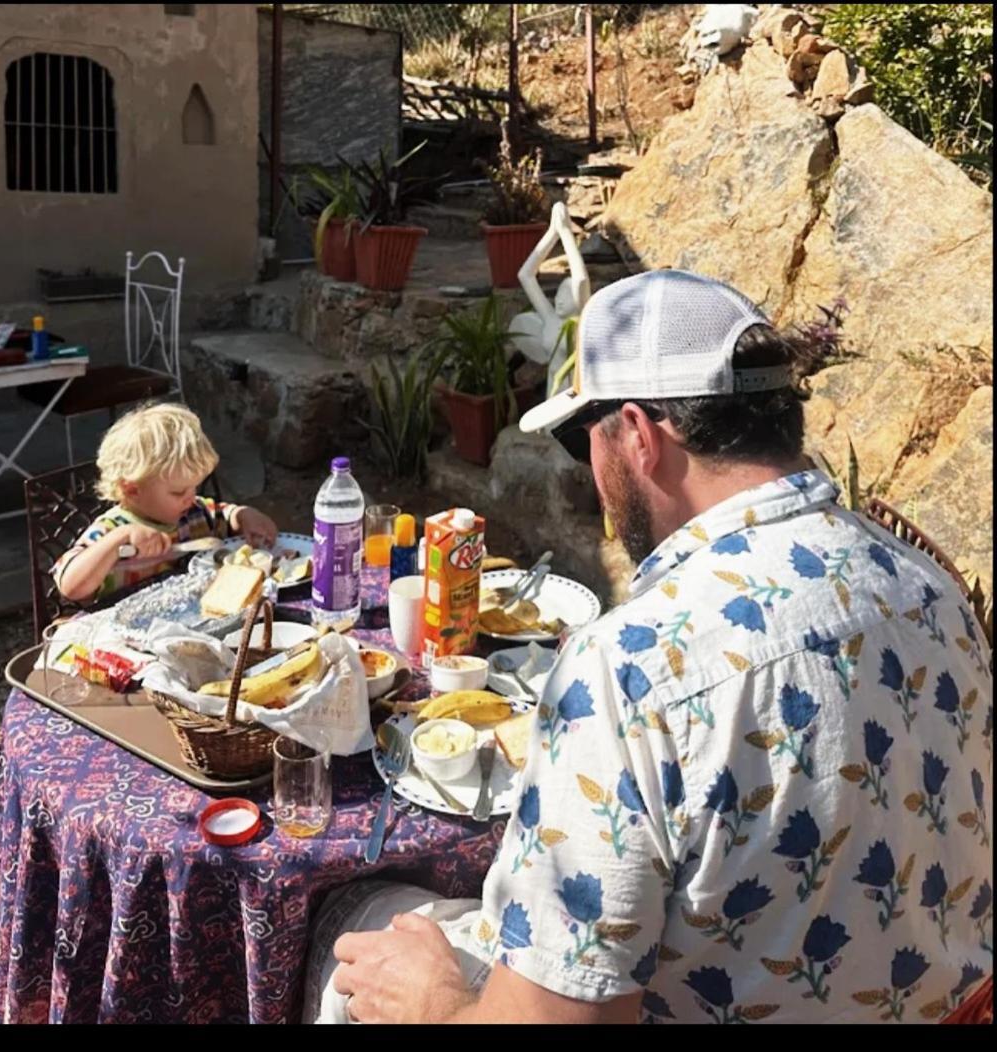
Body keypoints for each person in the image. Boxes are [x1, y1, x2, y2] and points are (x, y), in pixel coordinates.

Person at [308, 270, 993, 1024]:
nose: (593, 477)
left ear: (636, 433)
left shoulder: (631, 666)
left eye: (583, 441)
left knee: (357, 927)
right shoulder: (930, 584)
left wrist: (437, 1002)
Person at [54, 402, 277, 602]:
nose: (191, 497)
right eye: (179, 491)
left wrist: (243, 516)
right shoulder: (111, 530)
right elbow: (71, 587)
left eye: (195, 486)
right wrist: (117, 541)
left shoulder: (194, 513)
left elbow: (224, 516)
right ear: (132, 489)